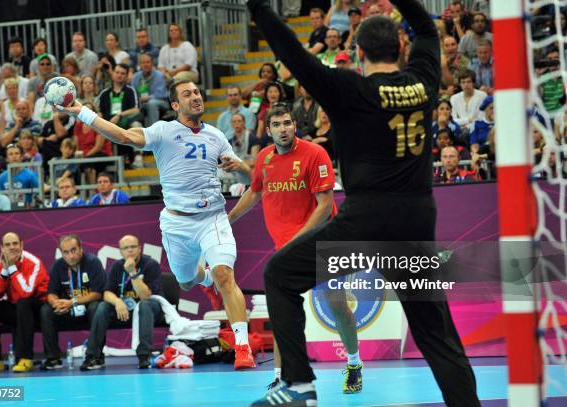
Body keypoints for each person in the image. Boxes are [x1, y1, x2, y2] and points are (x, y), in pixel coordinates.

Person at [247, 0, 480, 405]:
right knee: (436, 335)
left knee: (281, 275)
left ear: (358, 52)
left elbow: (292, 54)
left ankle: (300, 385)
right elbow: (427, 29)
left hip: (365, 224)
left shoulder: (348, 89)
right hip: (417, 220)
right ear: (401, 48)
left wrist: (258, 7)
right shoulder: (423, 81)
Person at [57, 79, 258, 370]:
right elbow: (124, 136)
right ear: (175, 105)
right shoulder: (163, 131)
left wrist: (241, 168)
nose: (196, 97)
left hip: (212, 217)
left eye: (198, 92)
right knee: (187, 281)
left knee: (225, 275)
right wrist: (81, 112)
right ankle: (205, 280)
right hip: (177, 224)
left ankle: (242, 348)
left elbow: (250, 182)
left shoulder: (216, 136)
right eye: (187, 94)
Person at [228, 106, 364, 393]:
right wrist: (228, 220)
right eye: (276, 124)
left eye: (287, 123)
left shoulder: (315, 154)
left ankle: (353, 363)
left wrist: (298, 241)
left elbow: (325, 204)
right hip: (286, 247)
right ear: (270, 129)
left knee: (337, 305)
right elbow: (254, 191)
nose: (283, 129)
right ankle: (281, 375)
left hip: (322, 241)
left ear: (294, 125)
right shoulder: (264, 157)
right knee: (282, 310)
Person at [83, 235, 164, 370]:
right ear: (120, 251)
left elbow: (145, 296)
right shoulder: (117, 266)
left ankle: (144, 356)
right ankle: (93, 356)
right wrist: (117, 302)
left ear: (140, 249)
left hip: (151, 308)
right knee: (102, 306)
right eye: (126, 248)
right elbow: (107, 292)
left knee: (144, 305)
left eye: (133, 247)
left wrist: (132, 272)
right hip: (125, 310)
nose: (130, 250)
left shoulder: (150, 264)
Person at [0, 233, 49, 373]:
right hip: (18, 308)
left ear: (22, 245)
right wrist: (4, 271)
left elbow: (26, 292)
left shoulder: (33, 262)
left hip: (38, 310)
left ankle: (25, 358)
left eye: (15, 244)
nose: (12, 248)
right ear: (2, 248)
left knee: (23, 303)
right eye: (7, 245)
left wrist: (12, 269)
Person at [40, 235, 105, 370]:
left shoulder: (93, 262)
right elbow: (51, 292)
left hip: (88, 307)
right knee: (46, 310)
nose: (71, 255)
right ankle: (53, 358)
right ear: (62, 253)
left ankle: (95, 357)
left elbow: (97, 293)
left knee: (96, 308)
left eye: (73, 250)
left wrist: (72, 302)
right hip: (68, 308)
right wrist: (56, 303)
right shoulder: (58, 266)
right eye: (66, 252)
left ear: (81, 249)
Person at [130, 53, 170, 126]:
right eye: (143, 62)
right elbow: (133, 94)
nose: (146, 64)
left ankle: (153, 130)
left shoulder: (159, 75)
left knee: (151, 103)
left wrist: (148, 98)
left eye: (148, 62)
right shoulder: (135, 77)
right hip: (141, 103)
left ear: (152, 64)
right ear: (139, 65)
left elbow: (161, 94)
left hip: (161, 102)